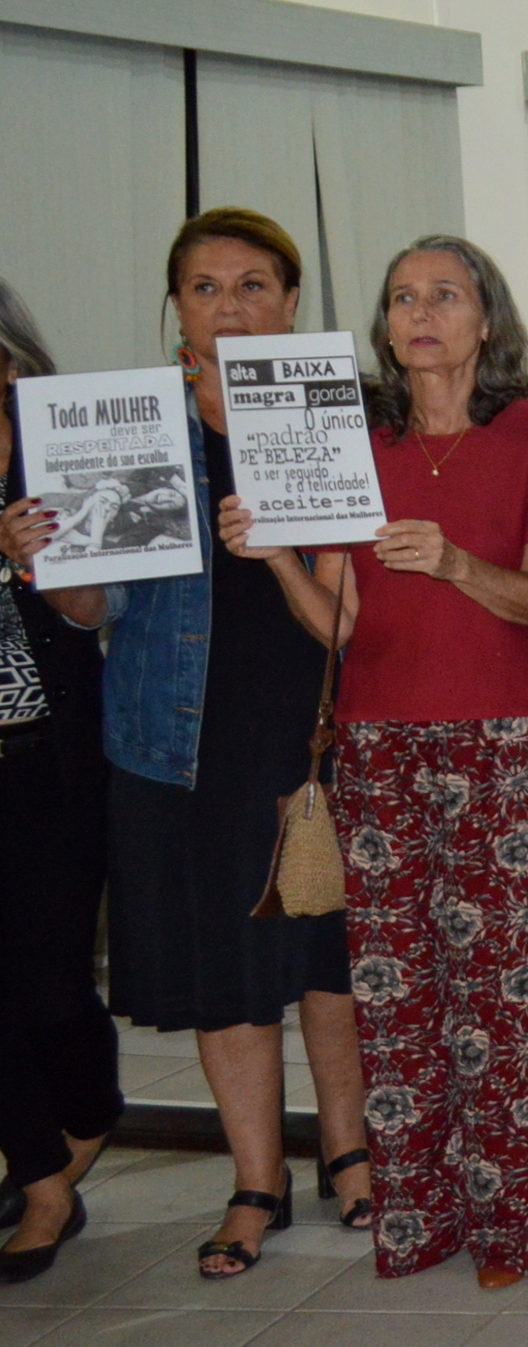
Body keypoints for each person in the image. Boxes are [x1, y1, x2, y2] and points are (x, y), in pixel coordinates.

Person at [0, 211, 375, 1279]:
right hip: (173, 747)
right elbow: (88, 610)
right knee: (222, 978)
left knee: (326, 965)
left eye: (254, 284)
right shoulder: (125, 425)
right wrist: (49, 561)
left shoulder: (325, 415)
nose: (230, 306)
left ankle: (350, 1154)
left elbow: (353, 615)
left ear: (292, 302)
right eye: (205, 287)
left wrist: (273, 549)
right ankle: (257, 1180)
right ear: (178, 307)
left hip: (308, 735)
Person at [215, 237, 528, 1288]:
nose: (422, 314)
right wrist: (276, 549)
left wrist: (458, 562)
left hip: (505, 741)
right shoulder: (354, 441)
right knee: (400, 1001)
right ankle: (419, 1221)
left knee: (511, 999)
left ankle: (519, 1228)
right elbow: (341, 618)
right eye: (402, 297)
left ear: (487, 320)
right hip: (377, 744)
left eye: (446, 295)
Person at [0, 283, 122, 1285]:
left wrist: (41, 565)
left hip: (51, 759)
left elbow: (92, 607)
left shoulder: (59, 434)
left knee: (48, 987)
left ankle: (84, 1114)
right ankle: (43, 1178)